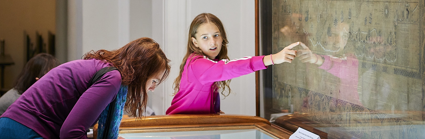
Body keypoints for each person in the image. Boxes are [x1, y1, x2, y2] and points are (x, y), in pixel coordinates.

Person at [0, 37, 170, 139]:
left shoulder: (103, 68)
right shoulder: (112, 78)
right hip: (24, 129)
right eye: (154, 81)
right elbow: (71, 133)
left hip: (17, 125)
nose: (153, 88)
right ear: (141, 73)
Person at [166, 13, 301, 115]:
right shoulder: (198, 64)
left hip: (197, 128)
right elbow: (228, 68)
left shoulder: (207, 62)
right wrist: (272, 58)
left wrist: (214, 113)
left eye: (216, 35)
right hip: (185, 130)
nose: (213, 42)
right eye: (205, 37)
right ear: (195, 42)